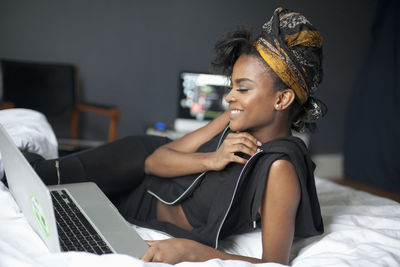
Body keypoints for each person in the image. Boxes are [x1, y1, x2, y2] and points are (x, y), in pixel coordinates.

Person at [24, 7, 327, 265]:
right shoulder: (232, 121)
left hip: (140, 204)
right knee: (38, 176)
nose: (229, 97)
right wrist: (213, 159)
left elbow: (273, 264)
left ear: (282, 99)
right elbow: (154, 161)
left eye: (243, 88)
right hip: (139, 163)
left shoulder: (279, 169)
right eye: (231, 86)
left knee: (55, 200)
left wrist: (194, 252)